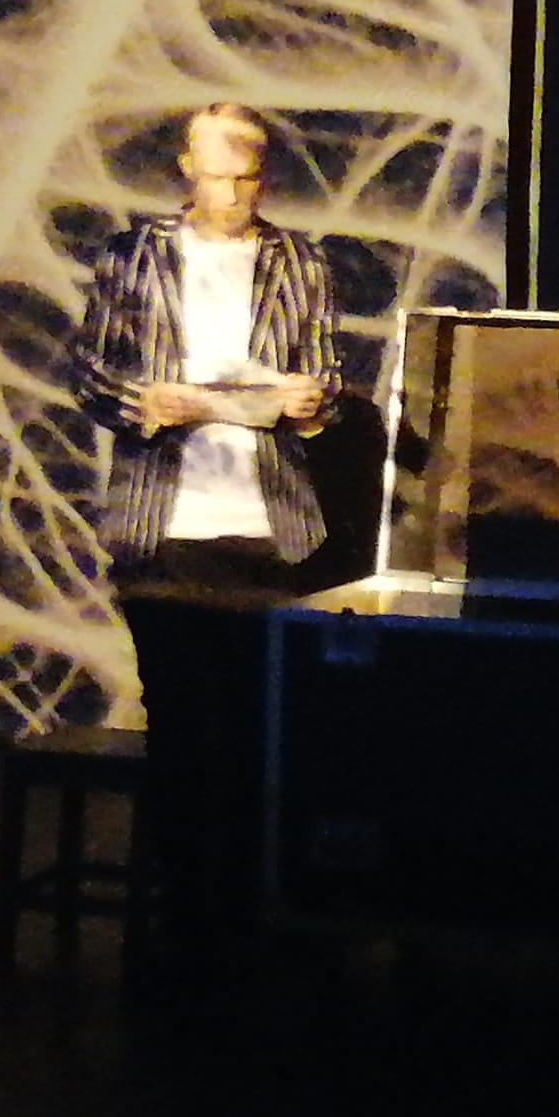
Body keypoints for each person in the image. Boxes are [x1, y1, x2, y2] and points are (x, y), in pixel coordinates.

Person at [69, 102, 342, 961]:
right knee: (183, 726)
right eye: (217, 176)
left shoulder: (298, 261)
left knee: (262, 727)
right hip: (167, 526)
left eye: (246, 178)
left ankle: (254, 910)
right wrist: (145, 401)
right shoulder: (132, 256)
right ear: (187, 168)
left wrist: (308, 401)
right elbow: (88, 370)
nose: (231, 194)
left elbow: (325, 376)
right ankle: (185, 914)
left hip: (269, 530)